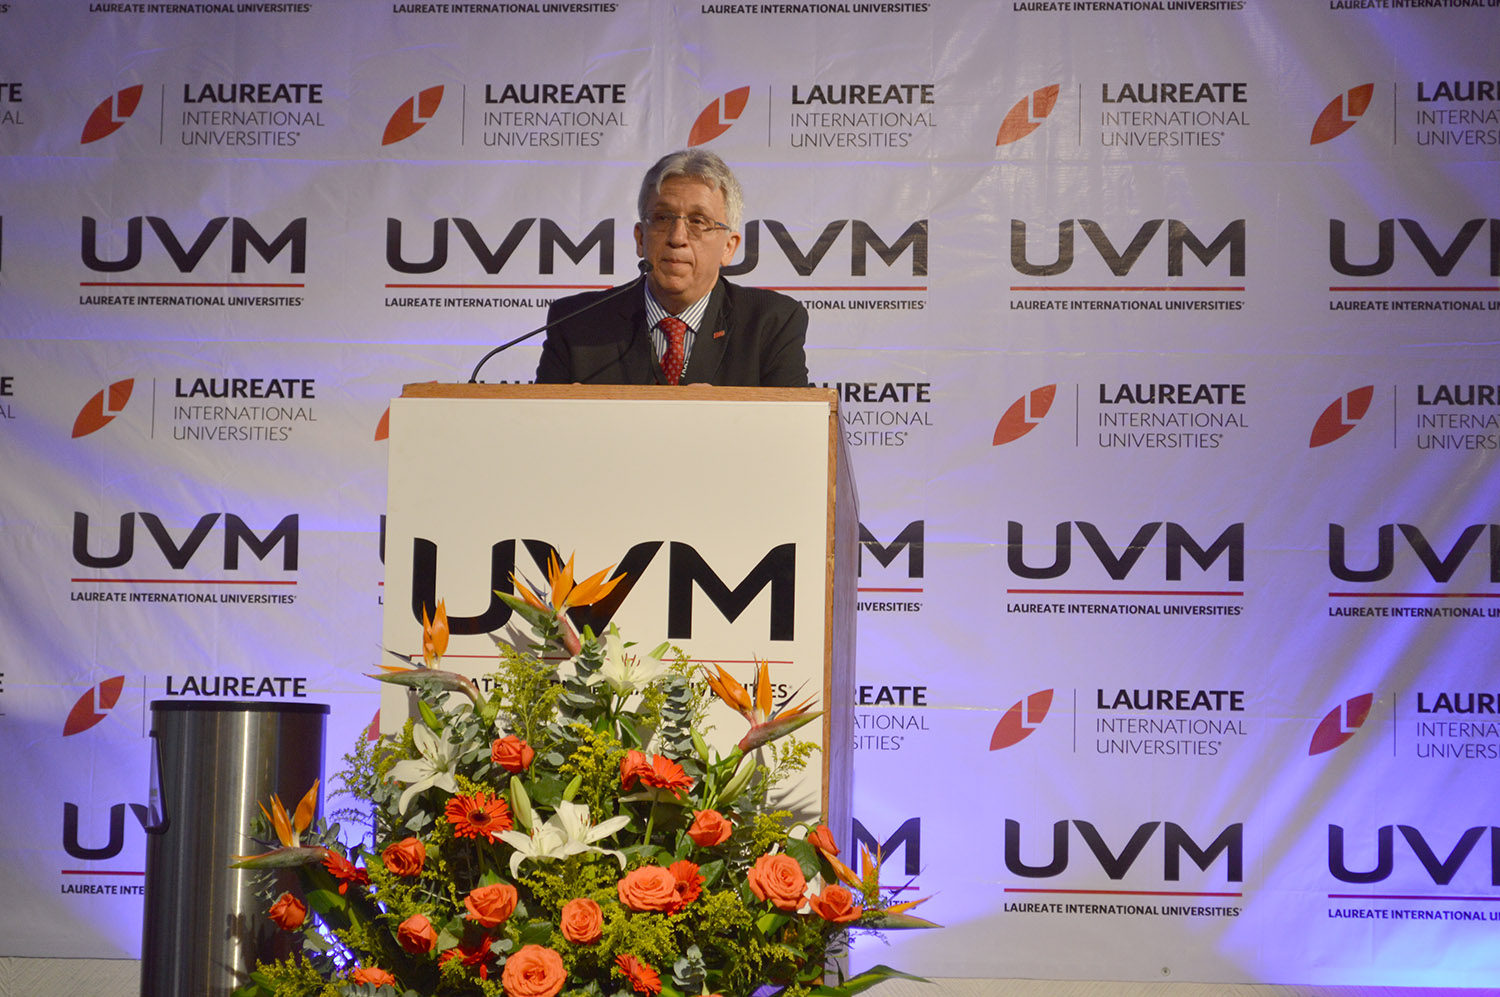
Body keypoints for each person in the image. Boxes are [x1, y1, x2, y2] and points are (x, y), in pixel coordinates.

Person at [535, 150, 809, 387]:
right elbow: (539, 425)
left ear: (729, 247)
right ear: (640, 238)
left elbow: (797, 427)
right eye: (663, 218)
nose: (677, 238)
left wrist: (724, 415)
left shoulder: (771, 323)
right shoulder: (575, 323)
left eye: (698, 221)